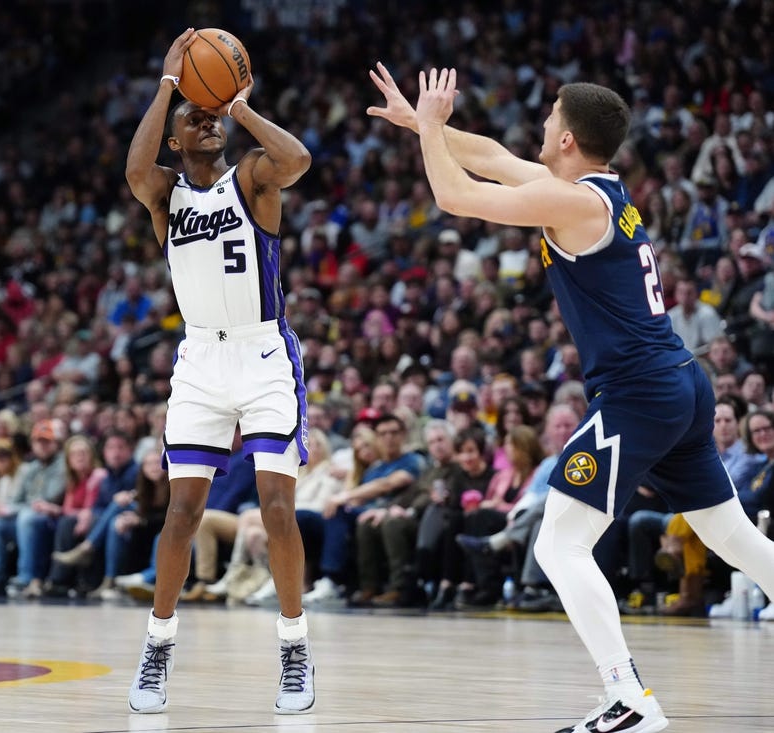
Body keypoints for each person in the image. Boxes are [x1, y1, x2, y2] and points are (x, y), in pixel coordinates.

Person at [368, 65, 774, 732]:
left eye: (548, 119)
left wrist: (434, 131)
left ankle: (629, 699)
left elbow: (454, 196)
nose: (540, 127)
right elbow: (493, 159)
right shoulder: (593, 191)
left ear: (565, 140)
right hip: (677, 382)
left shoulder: (574, 204)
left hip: (638, 393)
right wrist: (422, 123)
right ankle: (628, 697)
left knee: (558, 546)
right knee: (729, 535)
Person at [124, 29, 313, 714]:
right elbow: (133, 171)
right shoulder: (165, 194)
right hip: (200, 360)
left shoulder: (253, 178)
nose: (204, 124)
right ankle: (157, 643)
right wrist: (171, 84)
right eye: (192, 121)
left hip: (263, 355)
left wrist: (237, 105)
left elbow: (297, 158)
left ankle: (293, 646)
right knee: (182, 513)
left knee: (276, 505)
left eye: (212, 119)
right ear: (176, 138)